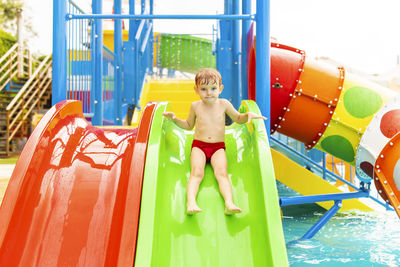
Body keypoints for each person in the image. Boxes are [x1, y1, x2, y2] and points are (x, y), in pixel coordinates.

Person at [162, 68, 266, 215]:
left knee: (222, 174)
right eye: (203, 89)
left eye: (213, 88)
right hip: (199, 146)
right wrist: (174, 119)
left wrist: (247, 115)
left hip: (218, 148)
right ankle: (191, 203)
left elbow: (237, 118)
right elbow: (188, 125)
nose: (209, 92)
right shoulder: (195, 106)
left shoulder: (224, 104)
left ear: (220, 89)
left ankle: (229, 203)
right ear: (196, 90)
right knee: (196, 173)